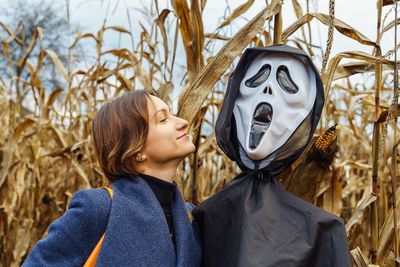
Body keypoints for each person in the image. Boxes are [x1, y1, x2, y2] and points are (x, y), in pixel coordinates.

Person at [23, 90, 202, 266]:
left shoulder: (190, 216)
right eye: (163, 119)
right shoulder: (99, 208)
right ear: (136, 150)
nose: (183, 122)